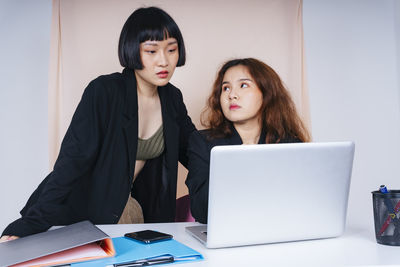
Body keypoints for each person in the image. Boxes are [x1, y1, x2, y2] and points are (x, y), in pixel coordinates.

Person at [1, 6, 195, 242]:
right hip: (76, 209)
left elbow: (195, 153)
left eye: (171, 50)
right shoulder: (104, 92)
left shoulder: (172, 99)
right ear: (133, 50)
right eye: (152, 51)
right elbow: (71, 163)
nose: (164, 61)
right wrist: (30, 224)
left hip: (118, 211)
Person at [185, 58, 310, 223]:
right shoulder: (202, 142)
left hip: (278, 233)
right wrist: (235, 163)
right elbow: (200, 211)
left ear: (267, 94)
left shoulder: (290, 144)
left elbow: (301, 206)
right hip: (225, 235)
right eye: (226, 88)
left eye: (243, 85)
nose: (232, 95)